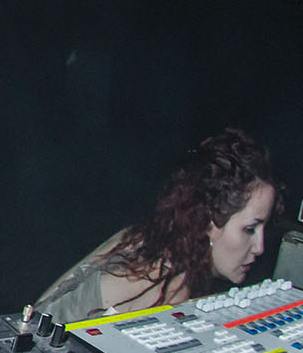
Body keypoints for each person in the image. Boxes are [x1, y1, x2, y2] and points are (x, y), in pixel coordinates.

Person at [37, 128, 284, 324]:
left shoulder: (145, 239)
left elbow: (42, 304)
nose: (260, 247)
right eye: (250, 229)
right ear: (208, 221)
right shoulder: (168, 287)